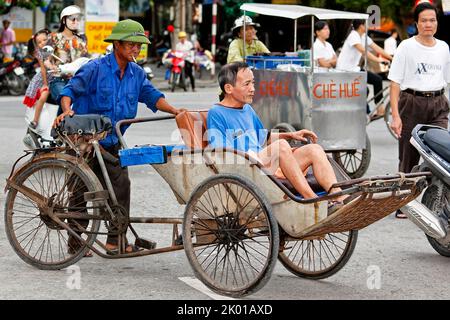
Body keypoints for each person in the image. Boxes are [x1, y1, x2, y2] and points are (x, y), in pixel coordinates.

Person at [55, 19, 186, 255]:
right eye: (131, 44)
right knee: (79, 194)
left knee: (122, 188)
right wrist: (67, 110)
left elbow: (152, 96)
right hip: (84, 143)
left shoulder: (136, 74)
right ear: (117, 44)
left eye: (139, 45)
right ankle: (75, 242)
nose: (136, 49)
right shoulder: (95, 68)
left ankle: (115, 241)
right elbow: (69, 91)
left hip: (111, 142)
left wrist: (176, 111)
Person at [207, 62, 347, 212]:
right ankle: (312, 201)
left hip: (264, 165)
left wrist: (291, 135)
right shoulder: (216, 113)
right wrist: (253, 156)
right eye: (246, 84)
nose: (253, 89)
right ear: (228, 88)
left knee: (314, 149)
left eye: (253, 83)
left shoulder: (247, 109)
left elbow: (264, 138)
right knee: (280, 147)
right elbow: (220, 151)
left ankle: (338, 198)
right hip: (245, 169)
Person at [388, 3, 450, 218]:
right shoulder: (406, 46)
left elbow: (447, 79)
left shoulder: (443, 47)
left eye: (432, 20)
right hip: (411, 103)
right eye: (424, 20)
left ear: (437, 23)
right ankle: (403, 202)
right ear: (416, 23)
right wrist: (395, 116)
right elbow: (394, 83)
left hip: (438, 103)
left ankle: (440, 202)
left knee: (442, 153)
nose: (428, 24)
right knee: (409, 155)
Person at [336, 19, 393, 120]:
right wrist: (379, 60)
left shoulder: (363, 36)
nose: (368, 27)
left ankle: (369, 112)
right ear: (361, 26)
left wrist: (392, 58)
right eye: (366, 25)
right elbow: (363, 51)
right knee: (370, 85)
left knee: (373, 83)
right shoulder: (353, 35)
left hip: (354, 69)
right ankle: (375, 110)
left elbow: (377, 48)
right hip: (346, 71)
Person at [48, 5, 89, 104]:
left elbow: (85, 58)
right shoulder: (54, 37)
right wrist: (51, 66)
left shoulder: (82, 39)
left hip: (78, 79)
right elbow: (45, 58)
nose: (76, 21)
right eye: (72, 19)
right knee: (66, 99)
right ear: (63, 20)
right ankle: (62, 119)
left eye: (78, 19)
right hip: (59, 79)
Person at [23, 29, 54, 131]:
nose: (42, 43)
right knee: (44, 96)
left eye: (44, 40)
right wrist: (45, 85)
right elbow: (43, 69)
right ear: (36, 45)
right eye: (39, 42)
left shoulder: (55, 48)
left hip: (56, 77)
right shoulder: (40, 53)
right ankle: (35, 121)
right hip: (42, 80)